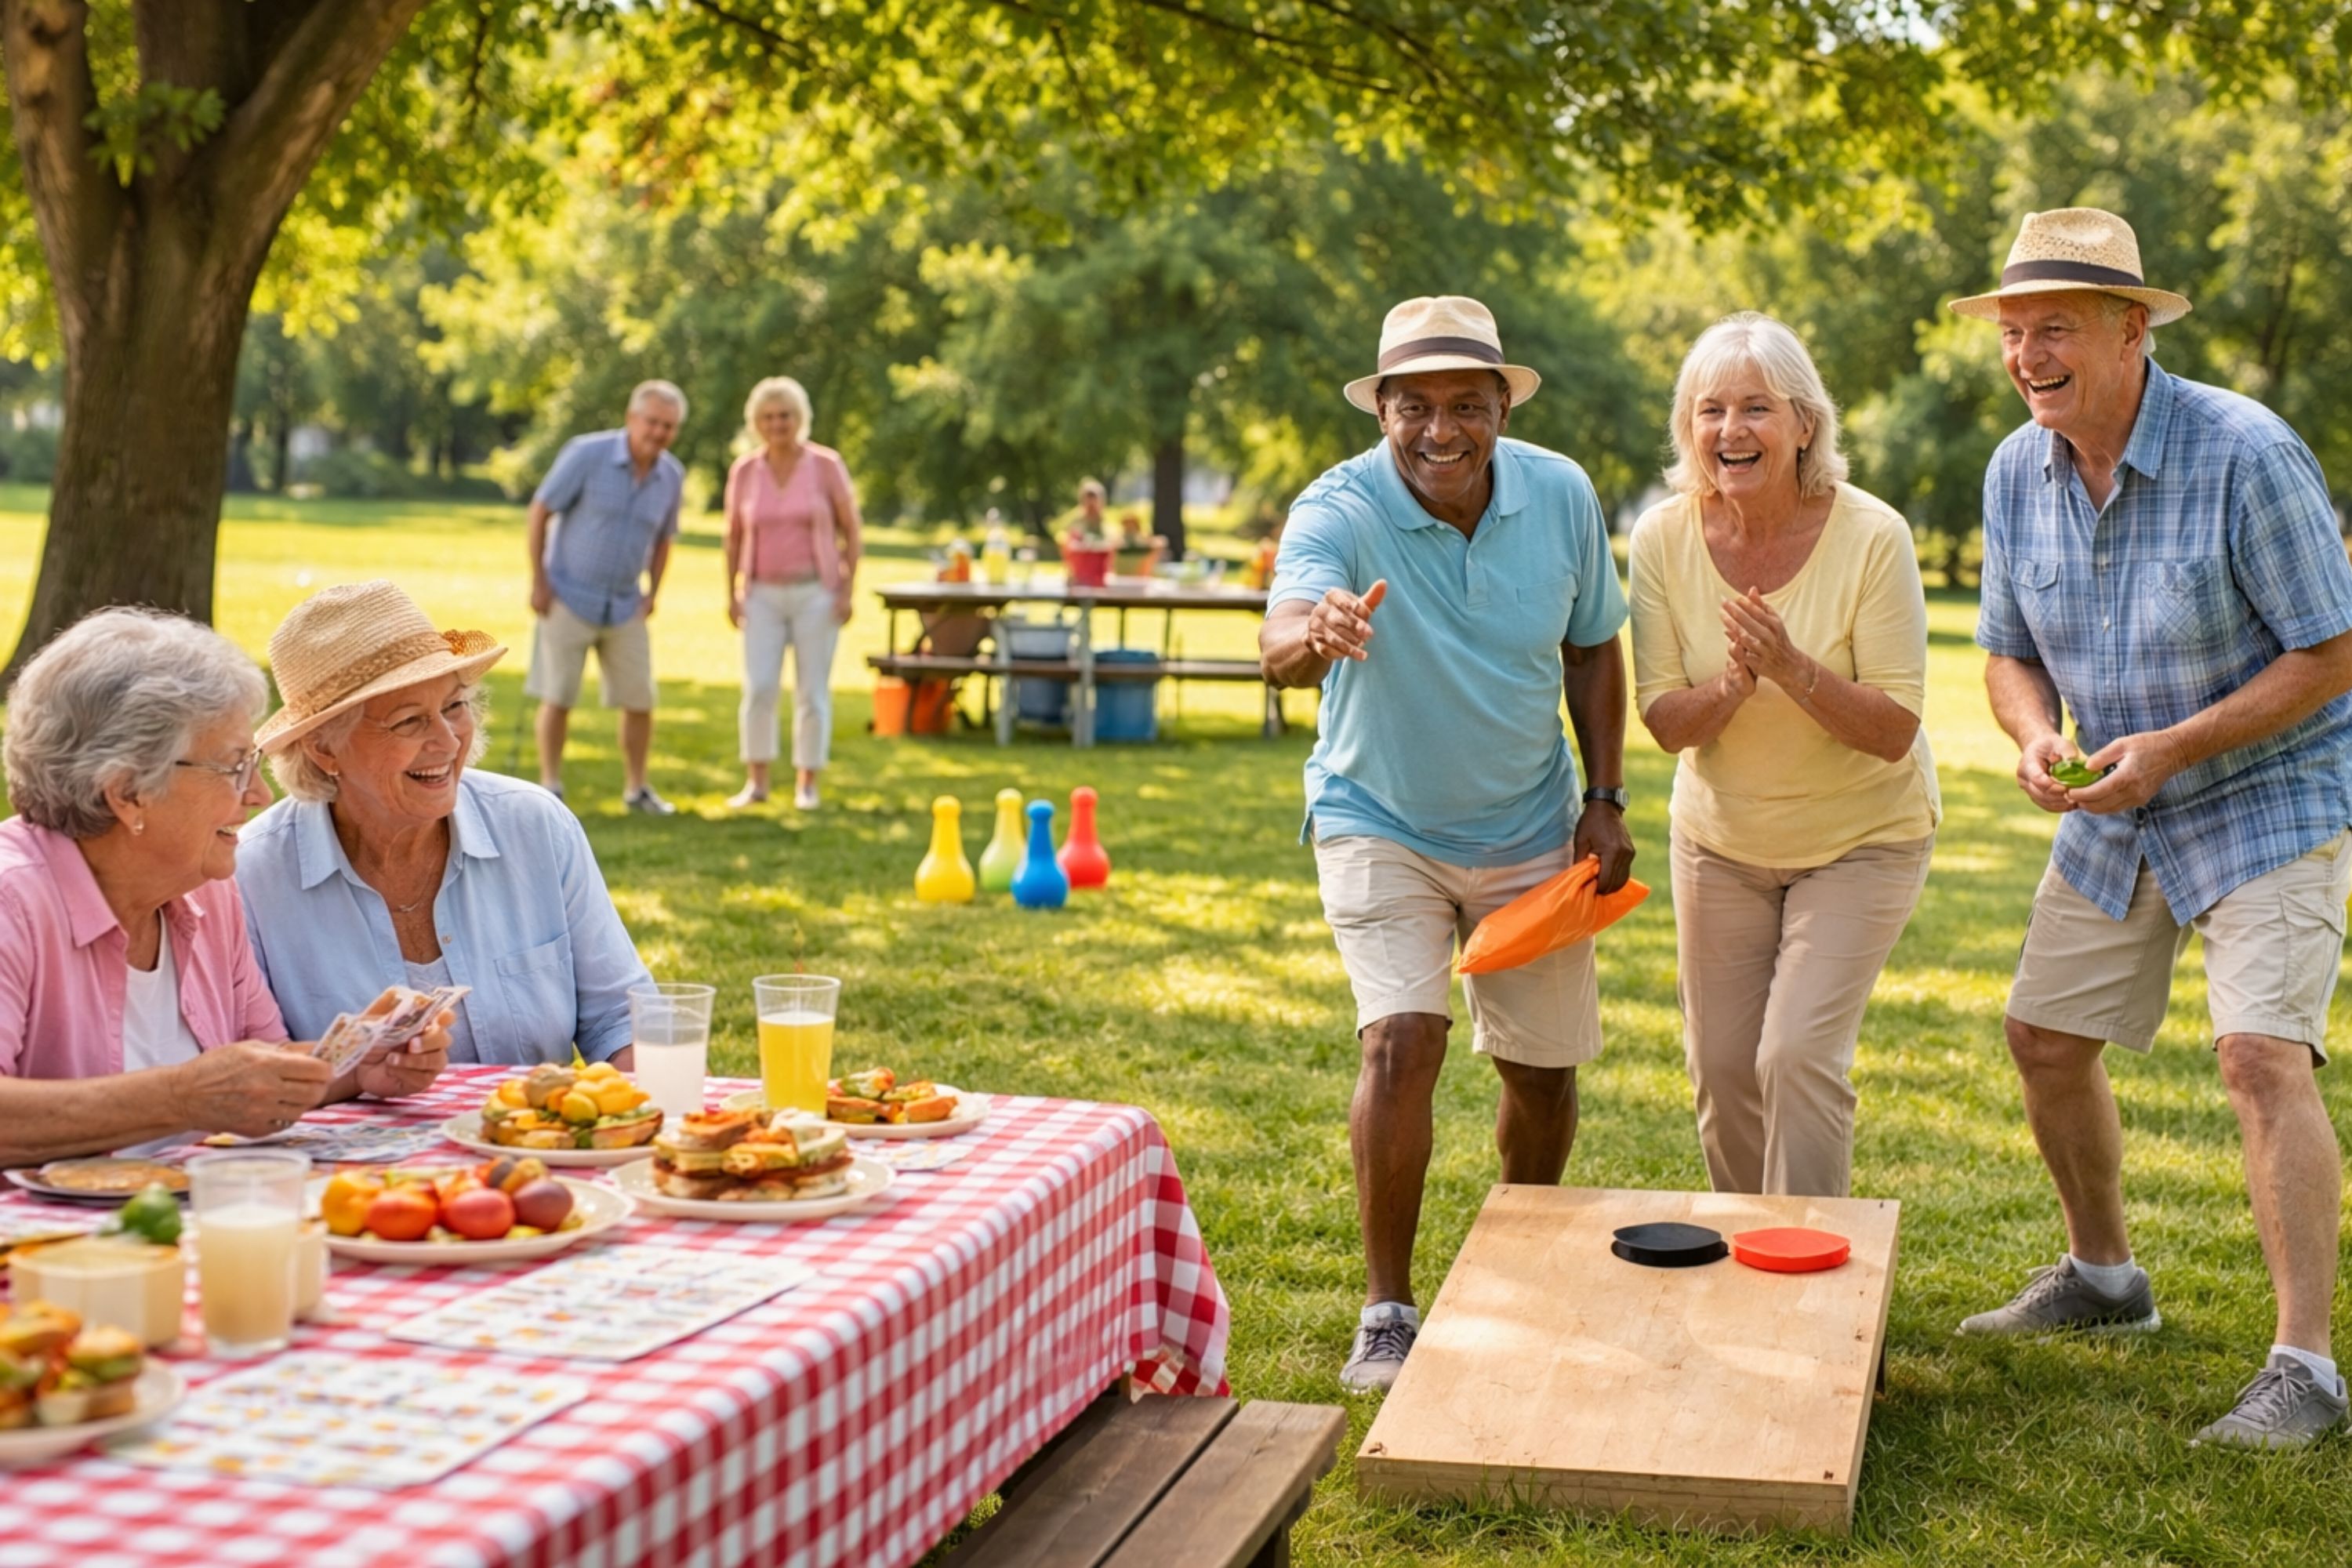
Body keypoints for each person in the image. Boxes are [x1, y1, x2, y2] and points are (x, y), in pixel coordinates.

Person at [1954, 208, 2352, 1450]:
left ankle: (2308, 1372)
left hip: (2264, 791)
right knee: (2045, 1037)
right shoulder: (2016, 469)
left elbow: (2334, 652)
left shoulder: (2247, 451)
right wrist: (2029, 735)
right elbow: (2007, 653)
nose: (2027, 354)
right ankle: (2107, 1280)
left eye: (2054, 328)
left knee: (2258, 1057)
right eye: (2014, 332)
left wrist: (2176, 748)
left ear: (2134, 328)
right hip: (2115, 798)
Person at [1259, 295, 1632, 1393]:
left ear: (1501, 410)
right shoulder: (1338, 505)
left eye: (1466, 405)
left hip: (1528, 824)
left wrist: (1604, 795)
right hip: (1380, 818)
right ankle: (1387, 1309)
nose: (1439, 430)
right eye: (1412, 406)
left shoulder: (1560, 494)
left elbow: (1595, 646)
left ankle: (1522, 1259)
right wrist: (1316, 635)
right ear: (1380, 409)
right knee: (1401, 1040)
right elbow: (1281, 637)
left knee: (1543, 1070)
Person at [1628, 314, 1939, 1200]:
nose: (1732, 431)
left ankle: (1814, 1282)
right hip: (1722, 839)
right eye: (1711, 409)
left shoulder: (1874, 536)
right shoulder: (1662, 538)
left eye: (1757, 408)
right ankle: (1750, 1263)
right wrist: (1733, 686)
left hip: (1861, 838)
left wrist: (1792, 668)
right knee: (1724, 1066)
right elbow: (1664, 719)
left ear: (1805, 423)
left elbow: (1893, 731)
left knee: (1796, 1053)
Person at [0, 609, 447, 1166]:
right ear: (128, 793)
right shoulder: (12, 900)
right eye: (235, 767)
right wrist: (180, 1098)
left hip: (188, 1221)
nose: (258, 794)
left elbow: (262, 1063)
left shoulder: (202, 892)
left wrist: (359, 1067)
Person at [239, 582, 654, 1068]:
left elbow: (622, 1020)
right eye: (409, 721)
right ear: (325, 748)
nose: (448, 740)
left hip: (531, 1141)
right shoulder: (253, 877)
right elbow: (250, 1073)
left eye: (454, 707)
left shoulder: (535, 826)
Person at [525, 379, 688, 814]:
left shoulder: (671, 475)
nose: (658, 433)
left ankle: (637, 790)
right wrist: (539, 582)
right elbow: (540, 510)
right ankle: (551, 788)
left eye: (668, 426)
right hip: (567, 596)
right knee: (558, 695)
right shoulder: (586, 454)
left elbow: (665, 539)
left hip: (624, 604)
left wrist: (653, 593)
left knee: (640, 700)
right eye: (652, 422)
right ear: (632, 418)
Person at [722, 376, 864, 812]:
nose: (777, 423)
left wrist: (845, 589)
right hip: (762, 593)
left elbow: (851, 529)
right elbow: (733, 536)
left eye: (784, 415)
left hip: (815, 593)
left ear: (798, 418)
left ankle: (807, 783)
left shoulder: (825, 465)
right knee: (760, 687)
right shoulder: (745, 470)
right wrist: (732, 592)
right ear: (757, 422)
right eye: (768, 417)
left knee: (812, 691)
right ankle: (757, 782)